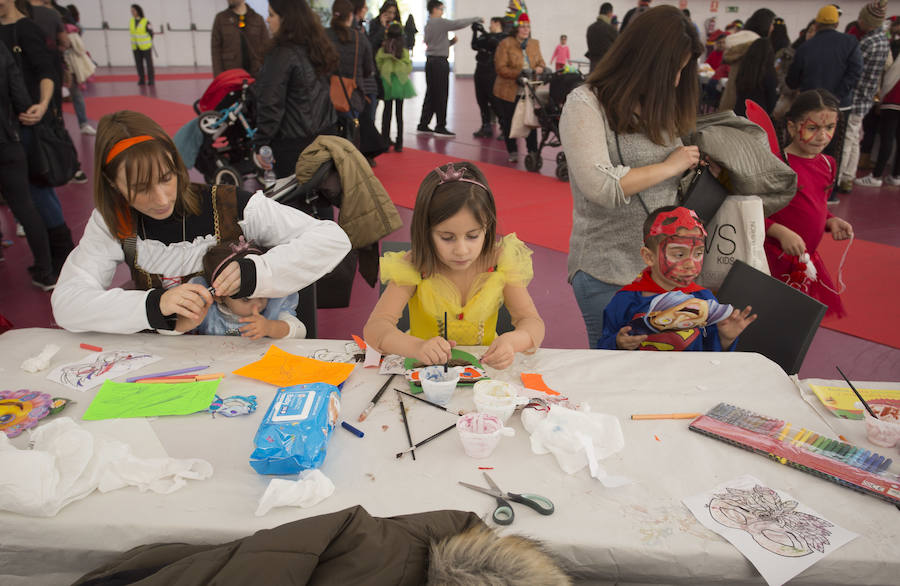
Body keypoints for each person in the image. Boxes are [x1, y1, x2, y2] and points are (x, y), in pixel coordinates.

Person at [50, 110, 351, 334]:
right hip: (166, 366)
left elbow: (332, 239)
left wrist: (256, 272)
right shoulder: (113, 221)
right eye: (140, 188)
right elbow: (67, 304)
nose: (161, 199)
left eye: (166, 178)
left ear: (176, 165)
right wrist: (155, 306)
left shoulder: (231, 204)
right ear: (113, 186)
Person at [559, 5, 703, 348]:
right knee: (615, 370)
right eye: (673, 69)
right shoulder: (585, 104)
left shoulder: (661, 102)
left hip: (664, 271)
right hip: (607, 270)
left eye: (682, 70)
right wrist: (671, 165)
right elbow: (600, 186)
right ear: (644, 60)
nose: (676, 80)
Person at [364, 162, 545, 370]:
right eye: (447, 237)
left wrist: (512, 342)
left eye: (473, 236)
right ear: (426, 232)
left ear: (488, 228)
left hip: (484, 375)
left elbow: (532, 323)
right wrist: (416, 347)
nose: (461, 250)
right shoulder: (415, 266)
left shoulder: (499, 262)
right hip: (424, 374)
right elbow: (375, 328)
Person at [600, 206, 756, 351]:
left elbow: (711, 354)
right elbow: (601, 349)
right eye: (679, 254)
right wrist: (618, 343)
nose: (690, 264)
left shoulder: (704, 300)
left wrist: (725, 339)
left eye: (698, 254)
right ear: (649, 257)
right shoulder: (624, 300)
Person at [0, 0, 77, 288]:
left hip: (28, 123)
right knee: (28, 196)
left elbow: (48, 73)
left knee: (38, 189)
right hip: (11, 124)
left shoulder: (26, 29)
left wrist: (42, 106)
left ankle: (62, 257)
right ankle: (53, 260)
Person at [765, 90, 853, 317]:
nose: (822, 136)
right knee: (769, 315)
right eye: (813, 128)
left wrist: (831, 221)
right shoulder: (777, 166)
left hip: (805, 260)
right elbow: (748, 210)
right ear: (793, 127)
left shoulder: (828, 163)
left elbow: (817, 203)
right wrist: (780, 232)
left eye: (829, 128)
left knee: (795, 319)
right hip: (772, 259)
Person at [253, 0, 338, 179]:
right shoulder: (316, 47)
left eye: (271, 14)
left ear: (286, 19)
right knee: (320, 198)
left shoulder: (280, 55)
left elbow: (271, 104)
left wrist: (260, 143)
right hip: (325, 137)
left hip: (293, 144)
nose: (267, 20)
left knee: (292, 203)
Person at [787, 5, 862, 198]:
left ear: (817, 23)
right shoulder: (850, 42)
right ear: (837, 23)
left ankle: (801, 190)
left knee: (805, 150)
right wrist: (835, 98)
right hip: (839, 107)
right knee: (834, 149)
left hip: (809, 107)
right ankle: (831, 191)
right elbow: (855, 72)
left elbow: (792, 78)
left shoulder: (806, 45)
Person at [0, 38, 56, 290]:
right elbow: (21, 97)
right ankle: (45, 271)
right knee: (25, 206)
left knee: (25, 206)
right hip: (7, 140)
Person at [179, 238, 305, 339]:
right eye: (246, 299)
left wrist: (269, 327)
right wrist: (187, 318)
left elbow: (300, 331)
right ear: (219, 296)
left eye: (261, 294)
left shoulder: (273, 307)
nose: (257, 304)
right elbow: (171, 331)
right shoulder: (206, 310)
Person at [416, 0, 482, 137]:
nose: (442, 11)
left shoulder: (428, 24)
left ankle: (423, 124)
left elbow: (433, 44)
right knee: (441, 94)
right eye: (441, 8)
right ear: (434, 9)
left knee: (431, 93)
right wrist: (476, 19)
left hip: (430, 62)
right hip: (440, 63)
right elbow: (458, 23)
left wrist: (450, 43)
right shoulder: (439, 22)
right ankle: (441, 126)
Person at [842, 1, 890, 189]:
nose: (858, 21)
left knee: (847, 139)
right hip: (866, 98)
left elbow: (854, 70)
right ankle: (848, 176)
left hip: (855, 97)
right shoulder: (882, 40)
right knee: (854, 139)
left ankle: (839, 179)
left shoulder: (867, 42)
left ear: (869, 22)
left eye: (862, 18)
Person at [493, 12, 545, 164]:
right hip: (509, 90)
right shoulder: (505, 43)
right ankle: (513, 151)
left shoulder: (534, 43)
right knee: (509, 121)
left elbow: (541, 62)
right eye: (522, 27)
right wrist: (519, 73)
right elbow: (500, 68)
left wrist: (541, 68)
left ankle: (533, 151)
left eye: (528, 27)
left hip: (529, 90)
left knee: (531, 120)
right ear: (516, 29)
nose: (525, 30)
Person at [718, 8, 775, 113]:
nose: (773, 27)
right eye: (772, 23)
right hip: (746, 101)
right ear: (765, 24)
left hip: (729, 95)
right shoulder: (758, 46)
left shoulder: (734, 41)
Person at [326, 0, 375, 117]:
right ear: (350, 16)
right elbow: (368, 69)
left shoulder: (322, 36)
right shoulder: (360, 39)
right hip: (351, 97)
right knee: (349, 133)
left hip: (325, 96)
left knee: (327, 134)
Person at [859, 52, 900, 186]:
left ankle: (876, 176)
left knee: (886, 138)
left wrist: (882, 98)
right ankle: (896, 175)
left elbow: (890, 79)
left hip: (893, 100)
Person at [376, 21, 414, 152]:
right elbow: (408, 65)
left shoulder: (383, 48)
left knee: (386, 112)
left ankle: (385, 142)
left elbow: (378, 62)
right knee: (399, 114)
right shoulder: (403, 50)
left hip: (387, 81)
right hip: (400, 82)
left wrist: (385, 69)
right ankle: (399, 143)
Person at [210, 0, 269, 77]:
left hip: (255, 75)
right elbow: (215, 50)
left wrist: (266, 74)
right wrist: (218, 76)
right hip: (230, 75)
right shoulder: (220, 19)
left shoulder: (258, 19)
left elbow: (267, 48)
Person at [471, 16, 505, 138]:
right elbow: (474, 45)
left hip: (493, 72)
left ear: (497, 23)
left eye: (491, 23)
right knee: (481, 100)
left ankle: (504, 127)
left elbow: (497, 45)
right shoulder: (485, 36)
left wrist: (484, 31)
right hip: (480, 70)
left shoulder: (503, 37)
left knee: (495, 101)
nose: (490, 26)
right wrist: (475, 32)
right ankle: (486, 126)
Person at [733, 37, 777, 117]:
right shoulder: (769, 72)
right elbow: (771, 99)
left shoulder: (744, 69)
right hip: (759, 114)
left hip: (740, 110)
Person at [585, 2, 617, 73]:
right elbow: (619, 44)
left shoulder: (590, 28)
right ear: (609, 13)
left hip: (593, 68)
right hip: (606, 68)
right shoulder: (610, 28)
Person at [129, 4, 153, 86]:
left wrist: (148, 42)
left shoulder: (146, 21)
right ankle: (141, 79)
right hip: (136, 47)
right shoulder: (131, 21)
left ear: (138, 11)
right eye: (131, 11)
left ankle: (151, 80)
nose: (132, 12)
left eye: (133, 10)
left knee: (149, 64)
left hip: (145, 46)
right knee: (139, 64)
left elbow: (151, 33)